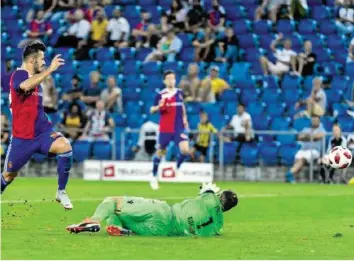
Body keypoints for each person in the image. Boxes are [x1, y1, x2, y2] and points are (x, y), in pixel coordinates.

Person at [0, 41, 73, 210]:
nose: (44, 62)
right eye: (42, 59)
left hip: (42, 133)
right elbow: (24, 86)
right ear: (32, 60)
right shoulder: (19, 75)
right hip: (22, 138)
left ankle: (61, 191)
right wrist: (50, 69)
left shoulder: (38, 81)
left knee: (65, 147)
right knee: (9, 175)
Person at [66, 183, 238, 237]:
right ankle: (125, 231)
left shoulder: (210, 197)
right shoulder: (218, 226)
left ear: (220, 196)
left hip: (163, 212)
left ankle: (94, 220)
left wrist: (210, 189)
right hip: (163, 232)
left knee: (113, 202)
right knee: (118, 219)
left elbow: (206, 188)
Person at [149, 70, 190, 190]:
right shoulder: (161, 94)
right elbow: (151, 110)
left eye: (173, 78)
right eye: (169, 78)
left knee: (185, 150)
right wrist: (158, 107)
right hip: (166, 128)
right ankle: (154, 176)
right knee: (161, 152)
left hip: (179, 127)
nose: (171, 80)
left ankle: (177, 168)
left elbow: (182, 107)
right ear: (164, 81)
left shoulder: (179, 93)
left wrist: (185, 119)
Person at [286, 116, 325, 183]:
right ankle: (292, 177)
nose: (314, 122)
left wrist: (307, 137)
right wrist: (310, 137)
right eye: (313, 120)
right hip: (303, 149)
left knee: (302, 159)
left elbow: (317, 137)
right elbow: (299, 137)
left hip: (314, 151)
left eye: (316, 120)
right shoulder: (306, 129)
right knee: (298, 160)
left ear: (319, 121)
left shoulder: (322, 130)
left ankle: (290, 173)